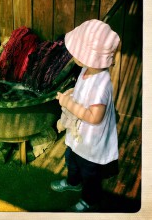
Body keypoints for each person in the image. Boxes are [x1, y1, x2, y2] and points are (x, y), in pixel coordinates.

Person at [51, 19, 120, 212]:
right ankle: (73, 182)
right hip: (78, 136)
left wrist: (68, 103)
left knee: (89, 172)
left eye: (78, 53)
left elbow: (94, 116)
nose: (73, 55)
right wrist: (73, 92)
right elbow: (83, 89)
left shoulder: (102, 85)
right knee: (71, 159)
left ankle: (89, 198)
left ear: (91, 57)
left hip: (91, 141)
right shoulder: (87, 70)